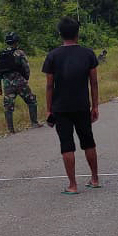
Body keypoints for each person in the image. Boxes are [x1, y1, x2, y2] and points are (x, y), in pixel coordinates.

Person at [42, 18, 100, 195]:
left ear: (60, 34)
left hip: (61, 108)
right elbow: (94, 82)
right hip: (82, 105)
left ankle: (73, 185)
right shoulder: (88, 54)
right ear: (77, 33)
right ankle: (95, 178)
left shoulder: (52, 56)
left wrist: (49, 109)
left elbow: (49, 86)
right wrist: (95, 106)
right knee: (88, 142)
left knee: (67, 145)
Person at [0, 31, 39, 133]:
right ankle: (34, 123)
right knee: (31, 100)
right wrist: (26, 78)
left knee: (8, 107)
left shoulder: (0, 55)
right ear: (16, 41)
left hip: (7, 84)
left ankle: (10, 129)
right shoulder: (20, 53)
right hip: (20, 82)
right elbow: (26, 67)